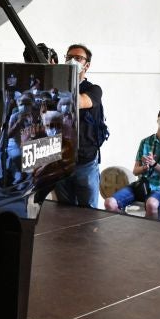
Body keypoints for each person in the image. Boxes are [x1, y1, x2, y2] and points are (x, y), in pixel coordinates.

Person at [105, 104, 160, 219]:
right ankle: (131, 226)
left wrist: (154, 164)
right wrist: (144, 168)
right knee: (109, 203)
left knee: (152, 204)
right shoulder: (145, 142)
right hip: (143, 186)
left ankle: (148, 235)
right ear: (158, 118)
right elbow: (135, 171)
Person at [54, 43, 104, 208]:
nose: (71, 61)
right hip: (60, 161)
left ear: (87, 65)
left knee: (87, 214)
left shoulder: (94, 89)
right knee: (64, 211)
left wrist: (56, 79)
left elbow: (80, 101)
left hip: (85, 162)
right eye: (68, 57)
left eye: (77, 58)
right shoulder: (56, 88)